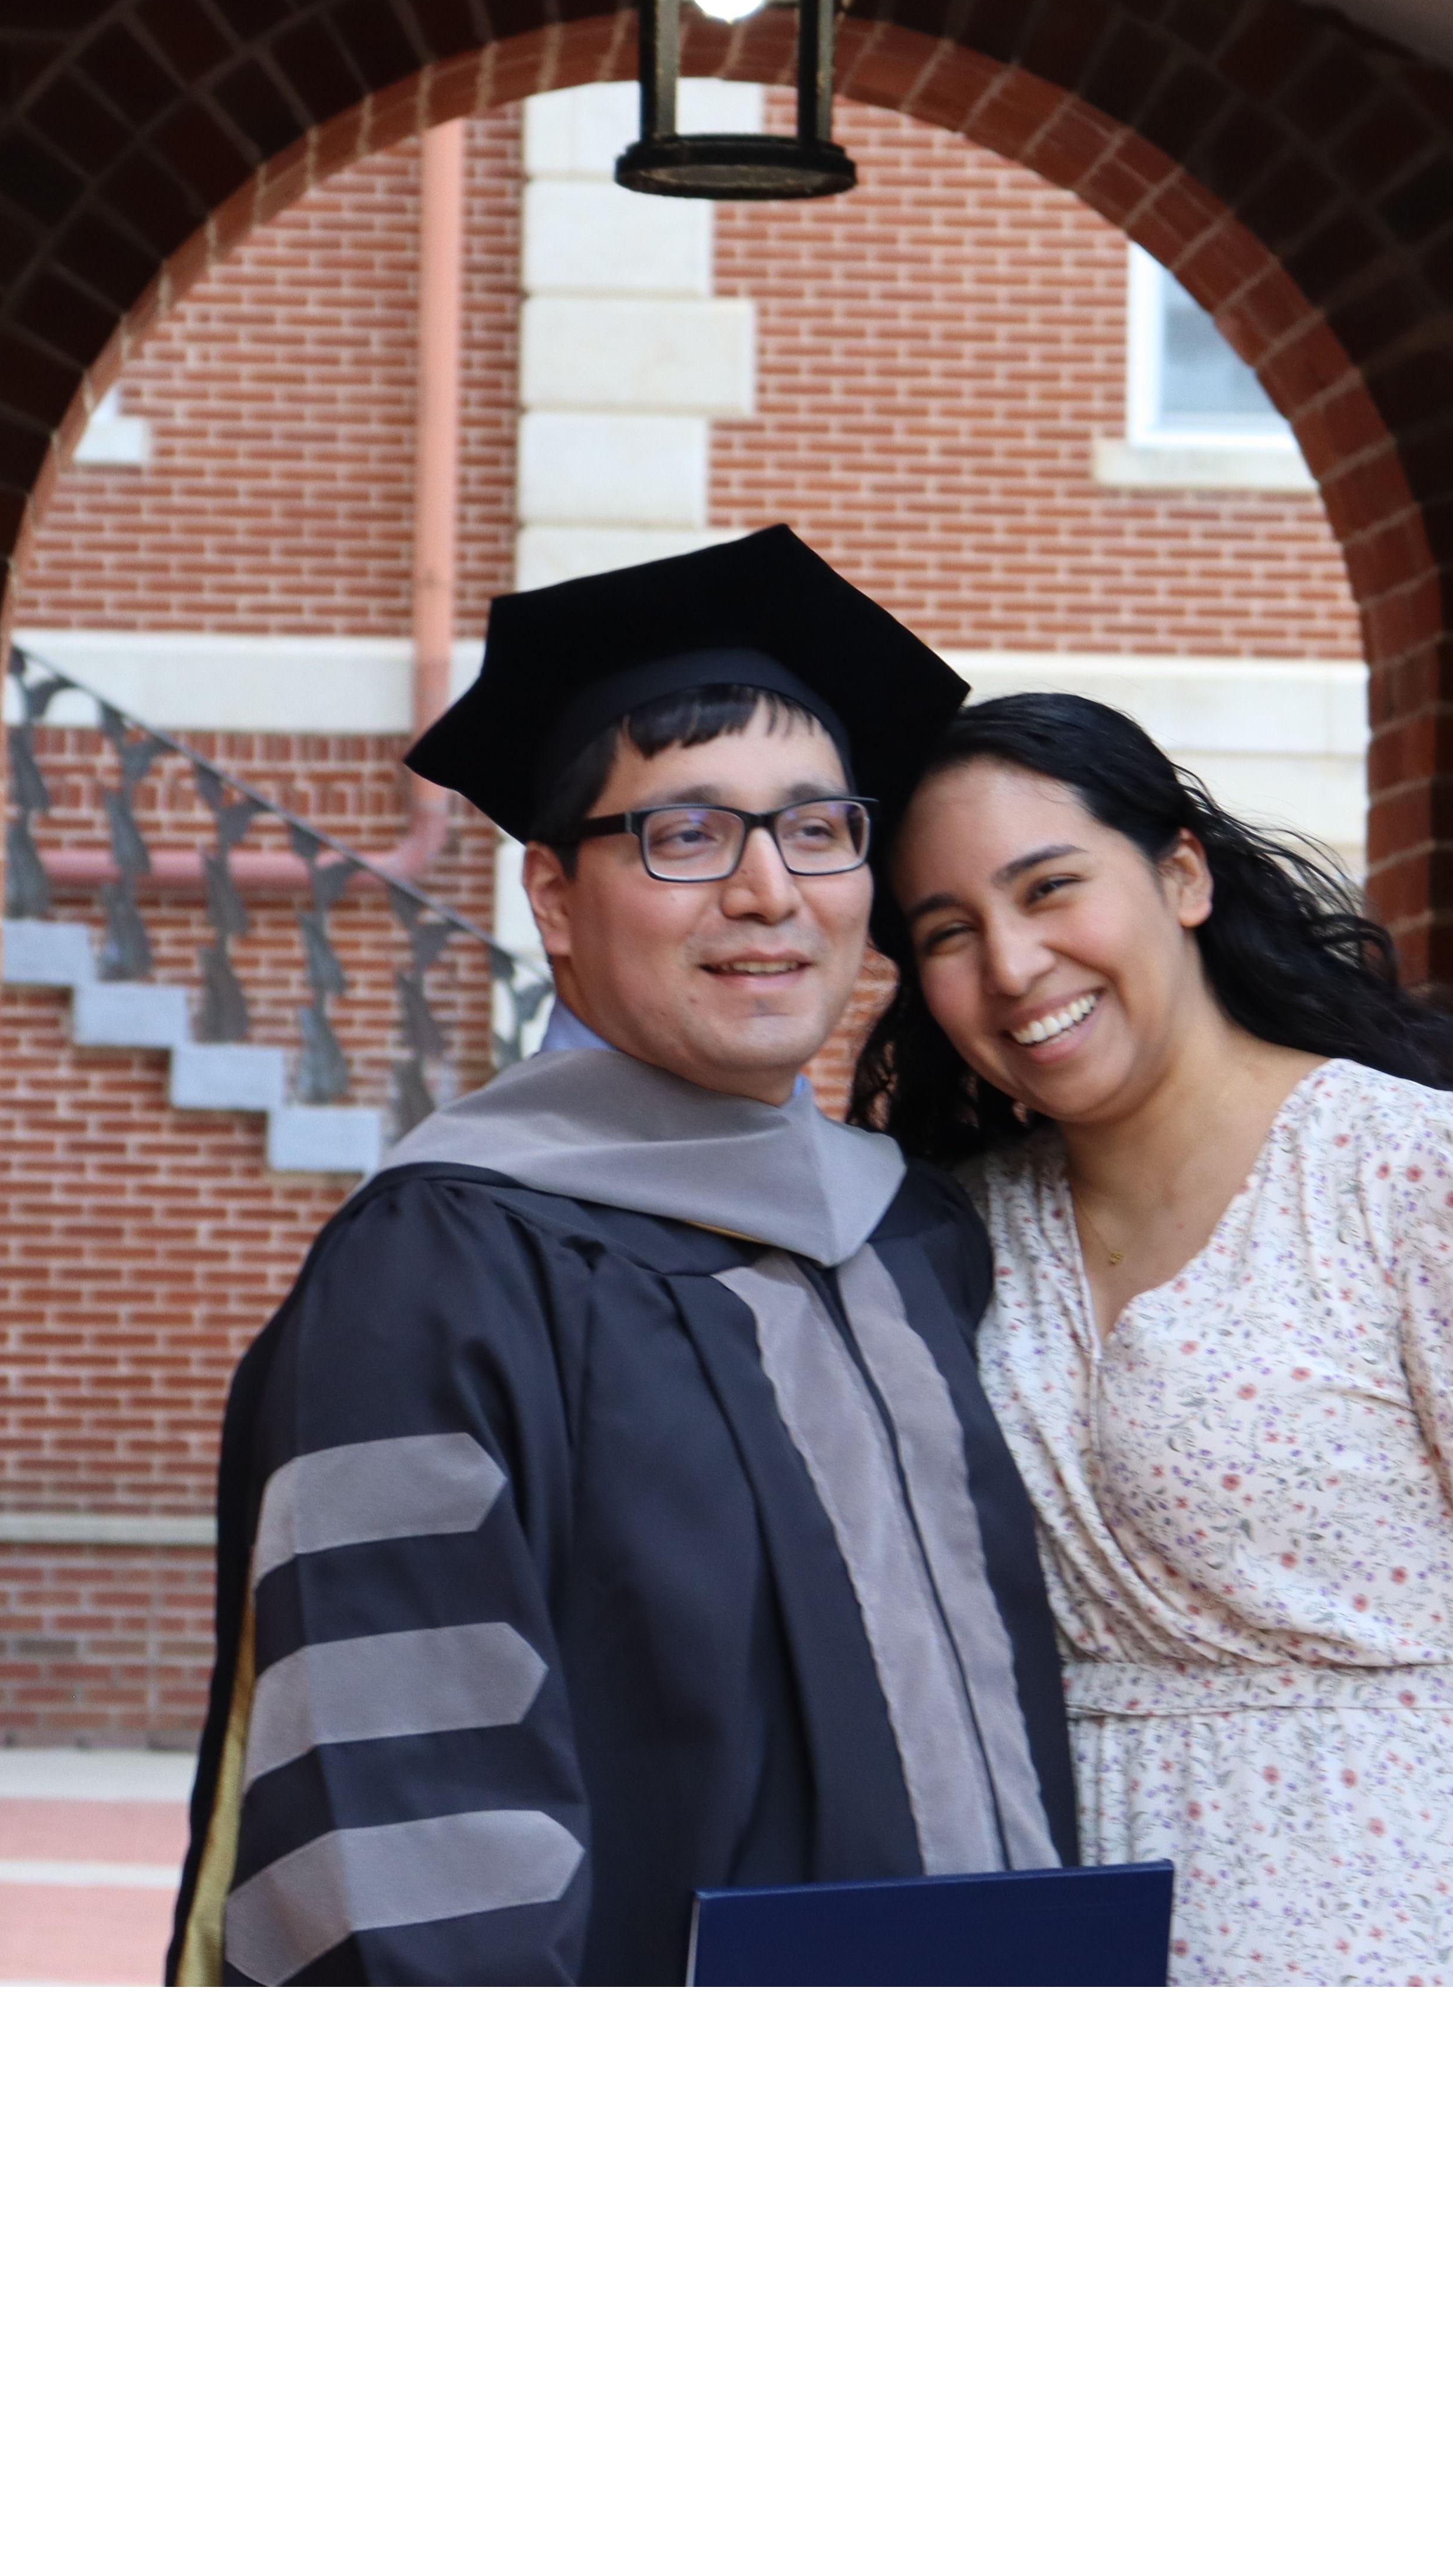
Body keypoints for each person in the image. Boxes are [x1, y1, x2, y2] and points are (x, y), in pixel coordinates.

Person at [164, 527, 1076, 1986]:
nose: (770, 892)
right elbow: (399, 1824)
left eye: (816, 830)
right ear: (554, 898)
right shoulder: (443, 1269)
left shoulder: (918, 1238)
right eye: (687, 834)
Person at [856, 690, 1453, 1986]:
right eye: (950, 932)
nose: (1013, 966)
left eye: (1051, 888)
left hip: (1428, 1943)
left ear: (1182, 876)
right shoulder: (946, 1236)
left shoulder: (1423, 1181)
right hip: (1075, 1952)